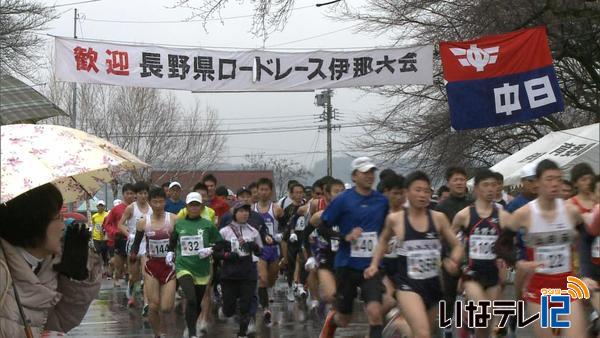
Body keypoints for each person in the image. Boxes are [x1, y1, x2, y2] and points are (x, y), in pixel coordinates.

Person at [365, 171, 463, 338]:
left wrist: (453, 260)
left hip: (433, 284)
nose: (422, 195)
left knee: (425, 333)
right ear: (407, 192)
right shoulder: (395, 219)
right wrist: (374, 264)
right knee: (423, 333)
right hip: (407, 285)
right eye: (417, 190)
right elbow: (382, 242)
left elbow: (457, 245)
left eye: (426, 191)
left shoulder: (438, 218)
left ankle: (398, 323)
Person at [0, 183, 102, 337]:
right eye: (58, 217)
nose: (63, 224)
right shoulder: (3, 272)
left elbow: (58, 322)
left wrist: (74, 279)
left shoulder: (44, 265)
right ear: (34, 222)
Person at [505, 159, 591, 338]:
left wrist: (586, 273)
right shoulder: (524, 213)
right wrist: (518, 262)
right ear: (537, 182)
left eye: (559, 179)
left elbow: (587, 239)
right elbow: (500, 245)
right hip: (539, 289)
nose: (555, 184)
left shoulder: (570, 211)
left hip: (567, 286)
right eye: (549, 179)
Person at [320, 157, 389, 338]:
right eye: (364, 172)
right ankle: (331, 321)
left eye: (372, 172)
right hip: (346, 265)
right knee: (344, 318)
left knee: (375, 312)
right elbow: (323, 227)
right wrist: (345, 236)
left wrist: (386, 241)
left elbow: (387, 228)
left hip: (372, 267)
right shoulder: (343, 200)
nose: (369, 176)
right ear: (354, 176)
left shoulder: (382, 201)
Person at [451, 169, 511, 338]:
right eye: (486, 185)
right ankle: (467, 321)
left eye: (494, 185)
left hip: (493, 275)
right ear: (476, 189)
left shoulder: (503, 216)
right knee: (483, 311)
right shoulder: (464, 215)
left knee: (486, 324)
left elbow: (509, 245)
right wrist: (453, 259)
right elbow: (449, 238)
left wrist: (504, 263)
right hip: (471, 273)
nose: (491, 189)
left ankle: (468, 326)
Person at [170, 192, 222, 338]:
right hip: (183, 266)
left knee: (197, 302)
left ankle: (190, 325)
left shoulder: (207, 225)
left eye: (196, 205)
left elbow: (222, 244)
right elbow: (172, 241)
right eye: (191, 205)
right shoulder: (180, 224)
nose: (193, 208)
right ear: (186, 207)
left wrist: (211, 249)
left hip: (202, 268)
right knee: (191, 298)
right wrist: (170, 252)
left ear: (201, 206)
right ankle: (192, 333)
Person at [130, 187, 178, 338]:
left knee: (166, 307)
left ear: (165, 202)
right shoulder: (143, 222)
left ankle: (163, 329)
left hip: (169, 267)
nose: (158, 205)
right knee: (153, 305)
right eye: (155, 202)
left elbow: (181, 241)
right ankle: (158, 334)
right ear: (150, 203)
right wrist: (132, 257)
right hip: (152, 266)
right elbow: (136, 244)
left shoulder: (174, 219)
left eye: (161, 202)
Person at [215, 202, 263, 338]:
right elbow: (216, 253)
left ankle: (242, 333)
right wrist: (227, 255)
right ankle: (225, 309)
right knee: (229, 310)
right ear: (234, 213)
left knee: (245, 306)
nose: (244, 214)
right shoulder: (224, 231)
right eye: (241, 211)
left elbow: (260, 252)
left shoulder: (253, 231)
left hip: (248, 274)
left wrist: (254, 247)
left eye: (247, 211)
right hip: (229, 275)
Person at [435, 166, 472, 338]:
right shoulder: (441, 208)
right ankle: (446, 330)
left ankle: (470, 331)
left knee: (472, 296)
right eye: (455, 179)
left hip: (472, 259)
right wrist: (444, 260)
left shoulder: (472, 205)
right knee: (448, 297)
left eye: (462, 179)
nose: (459, 183)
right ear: (448, 183)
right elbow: (438, 238)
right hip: (449, 259)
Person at [305, 179, 345, 311]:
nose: (340, 194)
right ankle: (315, 298)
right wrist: (309, 255)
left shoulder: (349, 214)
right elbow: (305, 234)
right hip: (321, 249)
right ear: (327, 194)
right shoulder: (319, 215)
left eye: (342, 191)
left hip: (340, 251)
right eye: (336, 191)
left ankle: (332, 310)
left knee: (337, 293)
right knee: (314, 270)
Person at [253, 177, 284, 325]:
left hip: (274, 248)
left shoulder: (276, 208)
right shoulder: (252, 209)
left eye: (266, 189)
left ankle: (270, 289)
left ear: (270, 191)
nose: (263, 192)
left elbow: (285, 227)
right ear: (257, 191)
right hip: (259, 249)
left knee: (271, 278)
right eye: (261, 189)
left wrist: (280, 236)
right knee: (262, 279)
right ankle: (266, 309)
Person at [117, 181, 152, 309]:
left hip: (146, 244)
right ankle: (131, 293)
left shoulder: (151, 208)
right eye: (141, 193)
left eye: (145, 193)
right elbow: (120, 224)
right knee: (134, 275)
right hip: (133, 244)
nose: (143, 196)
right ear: (136, 195)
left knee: (146, 273)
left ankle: (147, 303)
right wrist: (128, 234)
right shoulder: (131, 208)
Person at [103, 183, 136, 287]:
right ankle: (117, 278)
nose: (130, 196)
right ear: (123, 194)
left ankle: (132, 280)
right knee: (119, 265)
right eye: (127, 193)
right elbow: (107, 224)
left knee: (132, 263)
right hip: (120, 239)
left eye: (132, 193)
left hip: (134, 240)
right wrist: (115, 231)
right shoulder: (116, 209)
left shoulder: (137, 208)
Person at [281, 182, 307, 302]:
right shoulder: (288, 209)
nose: (299, 195)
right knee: (290, 264)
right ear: (291, 194)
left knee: (303, 261)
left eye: (301, 192)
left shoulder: (307, 206)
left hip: (304, 238)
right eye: (296, 192)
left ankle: (300, 284)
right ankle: (291, 286)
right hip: (291, 240)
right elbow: (284, 226)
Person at [91, 200, 110, 271]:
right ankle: (99, 266)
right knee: (97, 251)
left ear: (104, 207)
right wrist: (92, 234)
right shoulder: (94, 216)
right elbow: (93, 225)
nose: (100, 207)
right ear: (97, 207)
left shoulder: (107, 215)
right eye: (99, 206)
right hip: (96, 237)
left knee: (104, 252)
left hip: (104, 237)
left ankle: (105, 265)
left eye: (102, 206)